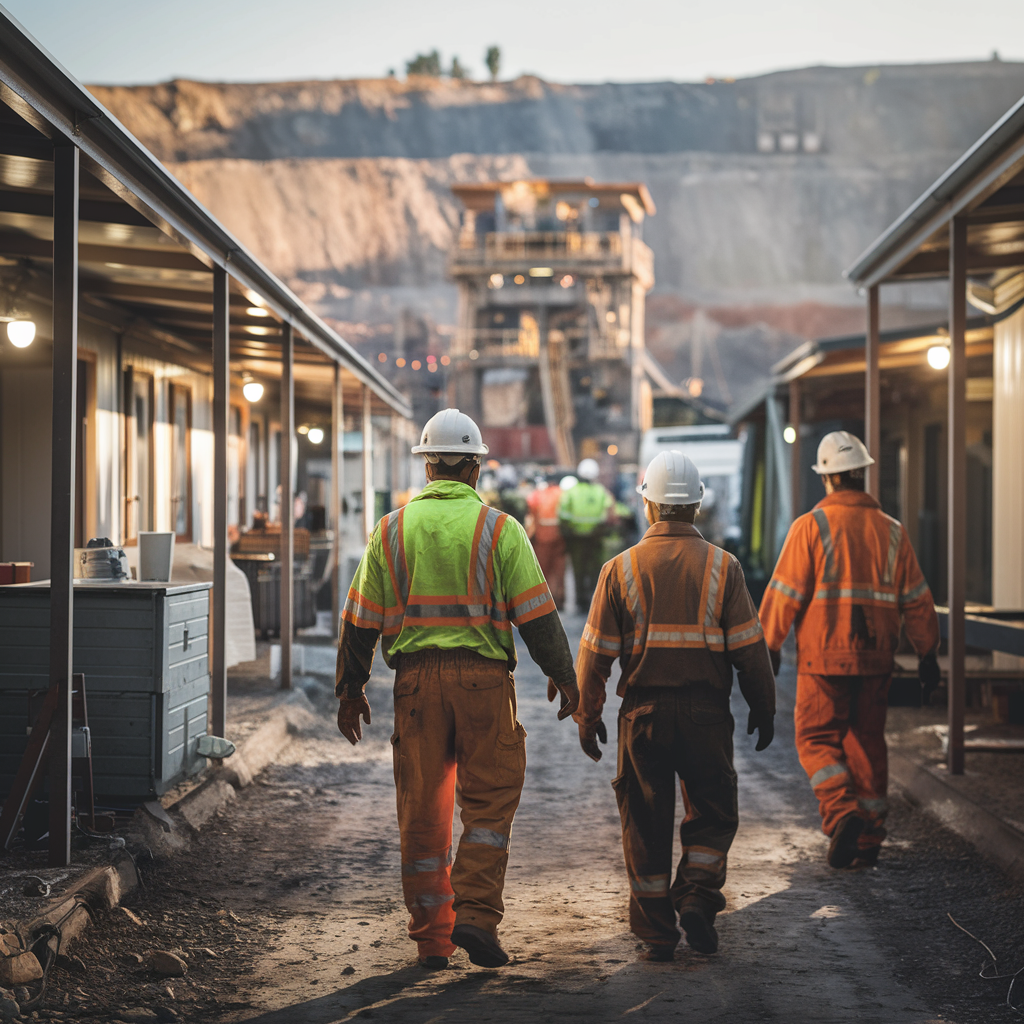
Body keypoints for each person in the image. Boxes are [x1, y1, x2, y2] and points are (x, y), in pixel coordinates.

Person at [335, 409, 580, 971]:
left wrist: (351, 689)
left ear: (427, 467)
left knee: (422, 810)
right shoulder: (501, 528)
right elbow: (538, 616)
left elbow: (360, 620)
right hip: (484, 682)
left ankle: (432, 939)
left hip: (415, 685)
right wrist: (564, 676)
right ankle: (475, 914)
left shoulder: (390, 529)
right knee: (489, 802)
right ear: (474, 468)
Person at [574, 450, 776, 961]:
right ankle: (698, 897)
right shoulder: (723, 567)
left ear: (648, 504)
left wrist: (587, 714)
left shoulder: (618, 569)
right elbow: (750, 648)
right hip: (707, 715)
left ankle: (657, 934)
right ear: (697, 506)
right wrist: (764, 703)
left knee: (643, 820)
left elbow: (595, 655)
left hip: (642, 716)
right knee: (711, 811)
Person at [758, 431, 939, 869]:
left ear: (827, 479)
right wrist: (928, 653)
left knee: (817, 739)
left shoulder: (810, 527)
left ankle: (842, 813)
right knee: (867, 744)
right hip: (877, 658)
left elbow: (784, 593)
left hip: (823, 658)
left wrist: (770, 644)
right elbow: (916, 598)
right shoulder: (892, 532)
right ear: (862, 475)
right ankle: (871, 836)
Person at [559, 458, 614, 612]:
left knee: (578, 571)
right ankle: (595, 600)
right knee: (595, 569)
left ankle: (580, 602)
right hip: (595, 538)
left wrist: (569, 531)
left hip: (576, 539)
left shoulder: (571, 492)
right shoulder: (601, 491)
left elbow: (563, 514)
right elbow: (609, 513)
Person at [526, 471, 568, 610]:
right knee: (559, 569)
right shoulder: (562, 493)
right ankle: (560, 599)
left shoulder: (537, 494)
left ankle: (546, 602)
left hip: (542, 536)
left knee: (544, 571)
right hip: (560, 536)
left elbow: (531, 512)